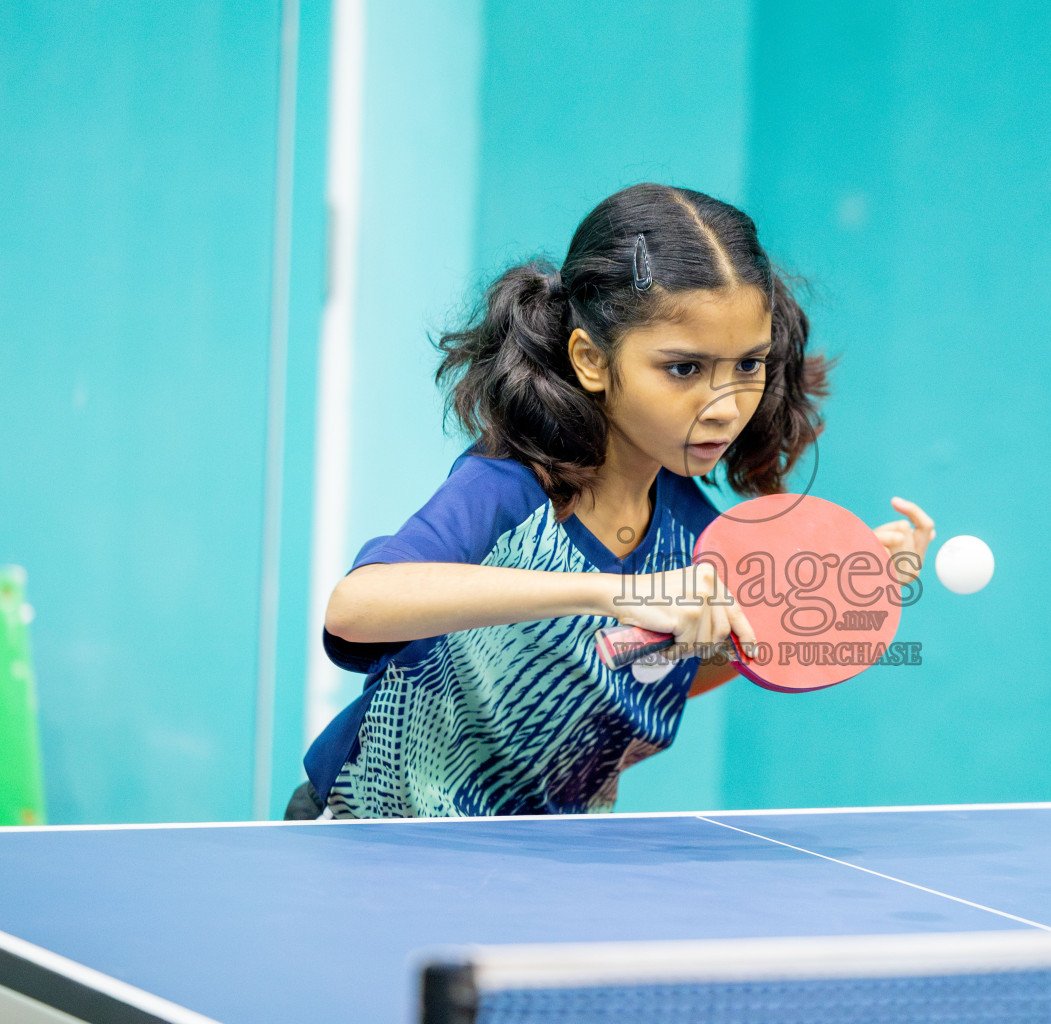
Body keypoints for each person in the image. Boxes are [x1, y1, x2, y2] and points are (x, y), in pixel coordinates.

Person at [287, 183, 934, 820]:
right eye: (684, 369)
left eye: (747, 366)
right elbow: (356, 609)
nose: (728, 405)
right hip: (375, 831)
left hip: (539, 853)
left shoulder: (693, 532)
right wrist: (609, 592)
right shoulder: (510, 491)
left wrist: (786, 618)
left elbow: (632, 680)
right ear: (593, 361)